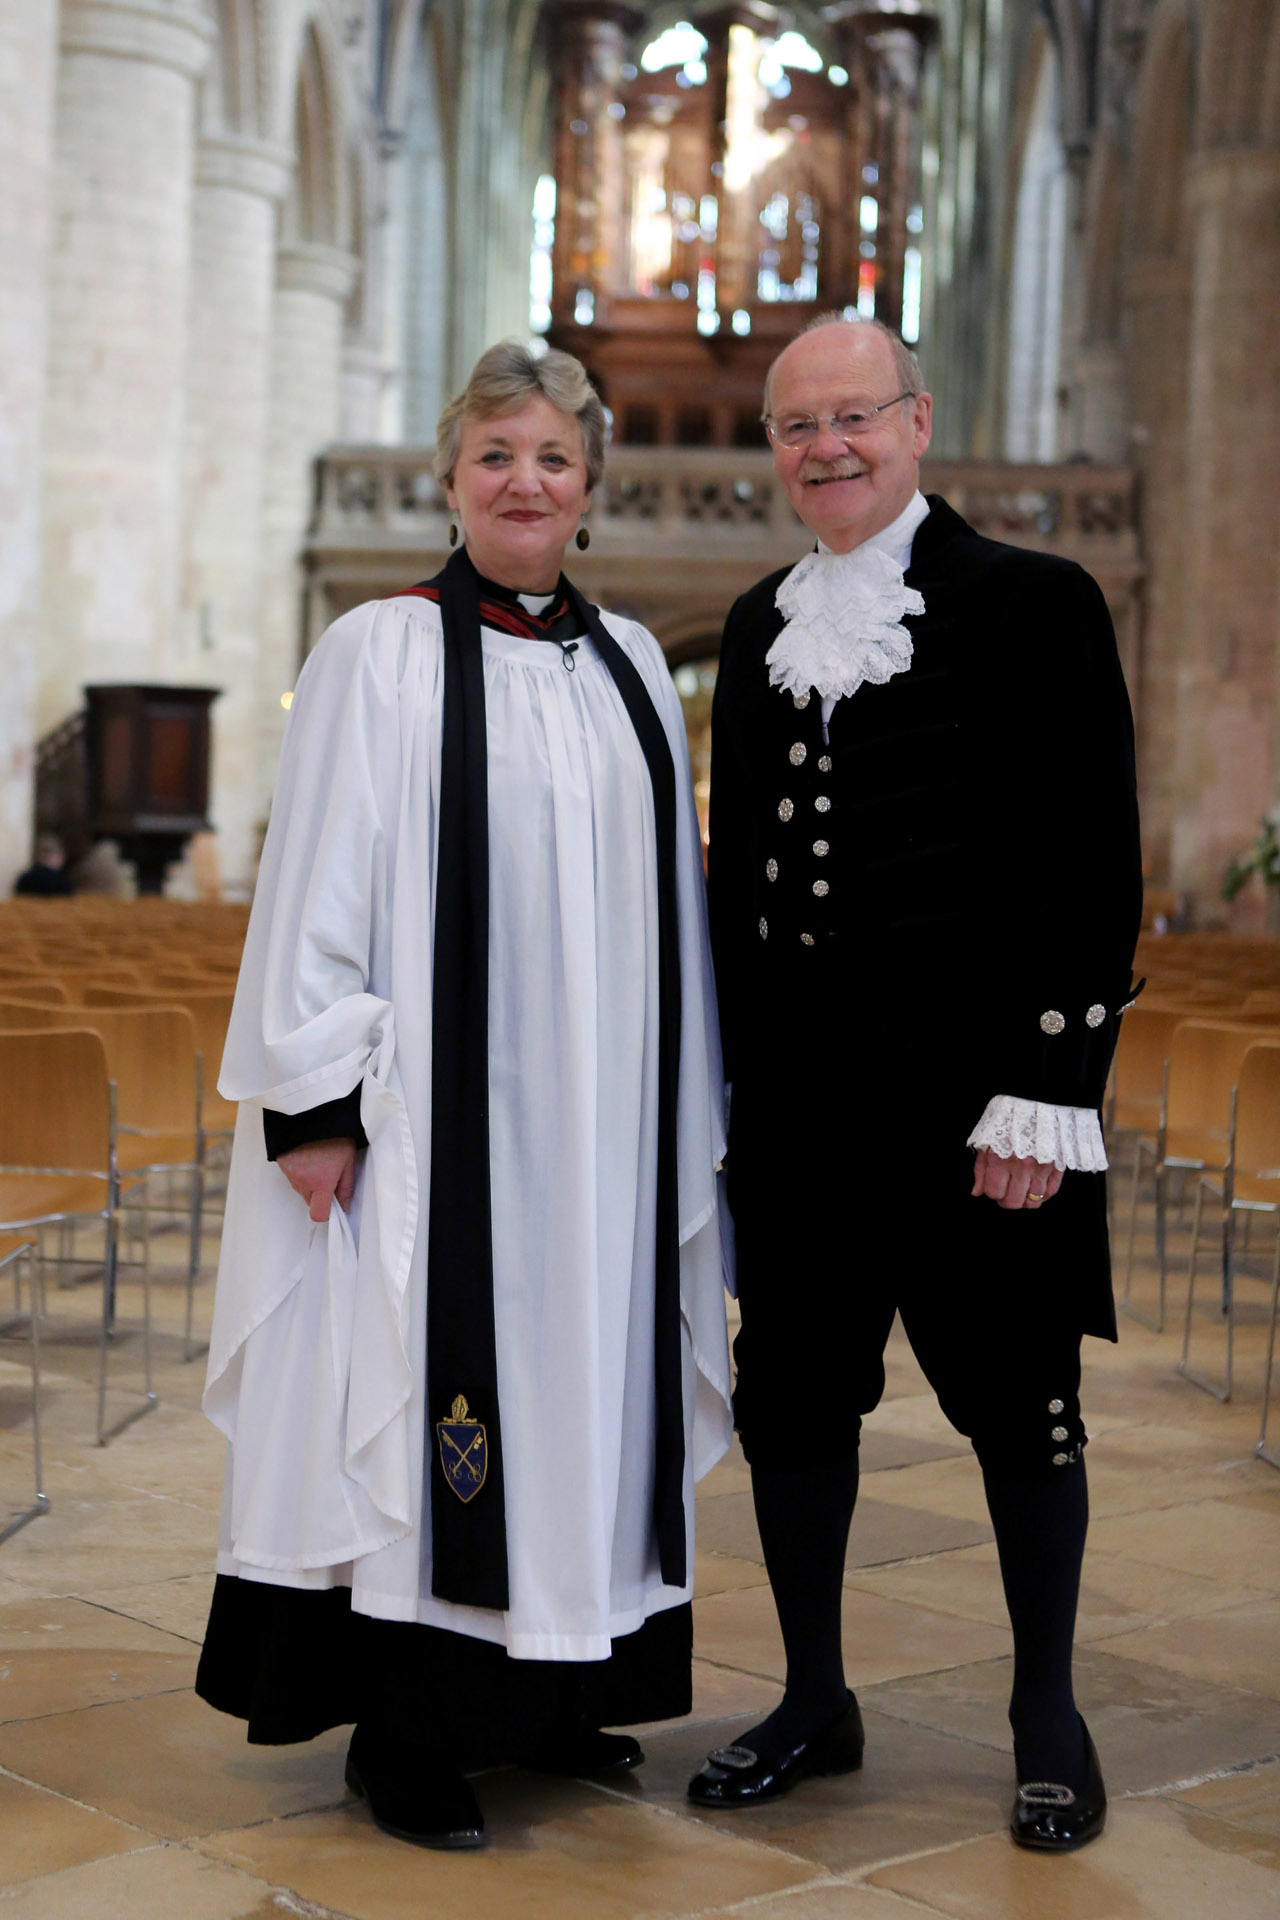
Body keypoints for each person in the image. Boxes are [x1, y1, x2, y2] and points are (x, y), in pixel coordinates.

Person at [196, 342, 732, 1851]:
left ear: (591, 486)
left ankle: (555, 1704)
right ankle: (411, 1733)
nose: (525, 481)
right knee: (436, 1413)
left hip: (604, 1135)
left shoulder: (630, 664)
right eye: (497, 453)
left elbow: (667, 913)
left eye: (554, 457)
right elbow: (316, 882)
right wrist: (312, 1105)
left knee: (587, 1397)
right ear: (450, 478)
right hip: (438, 1130)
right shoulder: (382, 652)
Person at [687, 315, 1141, 1854]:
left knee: (1022, 1412)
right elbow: (737, 878)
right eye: (797, 426)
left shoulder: (1037, 602)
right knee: (797, 1408)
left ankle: (1046, 1712)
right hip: (806, 1124)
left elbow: (1091, 862)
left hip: (977, 1124)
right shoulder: (756, 625)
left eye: (854, 418)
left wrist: (1047, 1091)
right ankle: (816, 1696)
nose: (826, 446)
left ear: (917, 422)